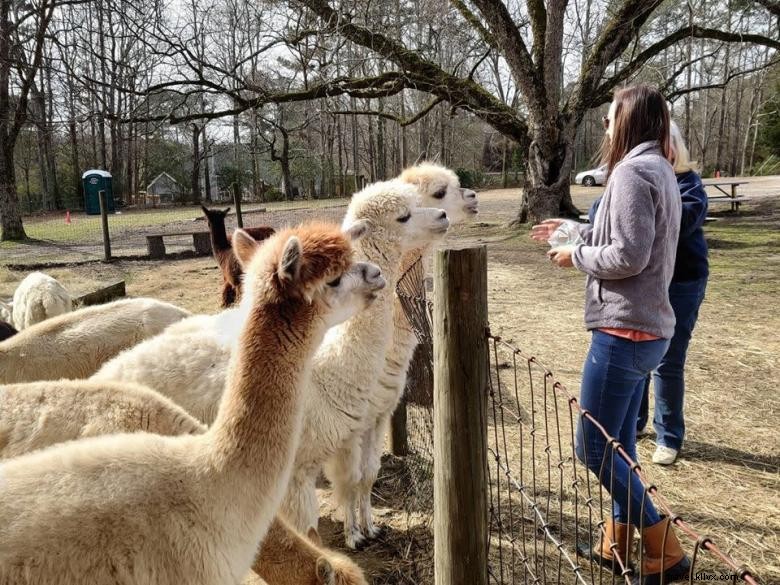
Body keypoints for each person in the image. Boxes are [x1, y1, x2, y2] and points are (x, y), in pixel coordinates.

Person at [532, 85, 690, 584]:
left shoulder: (631, 172)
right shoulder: (660, 168)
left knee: (594, 448)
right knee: (620, 445)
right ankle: (618, 542)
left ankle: (664, 549)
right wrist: (578, 232)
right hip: (648, 330)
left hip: (625, 332)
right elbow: (631, 239)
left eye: (608, 118)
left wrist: (573, 256)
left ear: (626, 119)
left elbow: (627, 256)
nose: (604, 127)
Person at [584, 122, 708, 466]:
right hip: (645, 285)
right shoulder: (635, 178)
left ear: (674, 146)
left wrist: (637, 207)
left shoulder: (685, 184)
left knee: (667, 360)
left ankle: (669, 434)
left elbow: (675, 221)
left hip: (681, 282)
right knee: (635, 356)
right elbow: (601, 214)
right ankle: (634, 424)